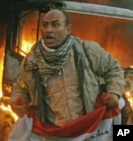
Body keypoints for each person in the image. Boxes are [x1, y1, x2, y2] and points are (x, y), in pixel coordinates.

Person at [9, 8, 125, 141]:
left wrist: (114, 92)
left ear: (68, 29)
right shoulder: (32, 61)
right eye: (45, 25)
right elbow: (21, 85)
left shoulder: (87, 51)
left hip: (89, 129)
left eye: (55, 24)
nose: (48, 30)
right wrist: (18, 100)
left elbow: (114, 69)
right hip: (55, 133)